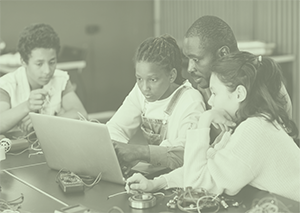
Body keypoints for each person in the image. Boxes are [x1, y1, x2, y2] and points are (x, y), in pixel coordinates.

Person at [126, 51, 300, 202]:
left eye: (215, 93)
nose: (210, 101)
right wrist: (155, 183)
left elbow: (196, 185)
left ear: (239, 93)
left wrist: (204, 121)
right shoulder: (247, 124)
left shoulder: (254, 130)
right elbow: (204, 168)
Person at [107, 34, 206, 173]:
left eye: (153, 80)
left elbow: (184, 152)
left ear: (171, 75)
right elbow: (116, 128)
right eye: (139, 78)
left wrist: (138, 152)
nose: (144, 87)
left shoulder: (191, 101)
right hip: (153, 174)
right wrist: (116, 151)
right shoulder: (141, 91)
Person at [182, 15, 292, 119]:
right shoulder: (200, 89)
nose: (189, 68)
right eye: (188, 59)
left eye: (196, 60)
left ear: (223, 54)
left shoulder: (264, 85)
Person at [0, 23, 87, 134]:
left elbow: (81, 114)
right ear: (23, 61)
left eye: (52, 62)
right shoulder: (6, 84)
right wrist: (26, 106)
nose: (47, 71)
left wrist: (42, 122)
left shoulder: (60, 79)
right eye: (39, 64)